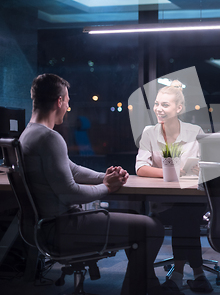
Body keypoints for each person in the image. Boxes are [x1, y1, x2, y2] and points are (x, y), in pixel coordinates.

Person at [20, 73, 175, 295]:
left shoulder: (30, 134)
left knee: (133, 215)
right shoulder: (49, 138)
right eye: (68, 101)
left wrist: (105, 176)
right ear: (59, 101)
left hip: (46, 226)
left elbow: (72, 169)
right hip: (62, 228)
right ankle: (138, 289)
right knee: (152, 228)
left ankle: (146, 285)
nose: (68, 107)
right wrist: (107, 188)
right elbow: (71, 194)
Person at [135, 86, 212, 293]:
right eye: (157, 104)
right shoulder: (149, 133)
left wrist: (170, 170)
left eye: (165, 104)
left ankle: (177, 275)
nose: (159, 109)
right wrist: (171, 172)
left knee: (184, 212)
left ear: (179, 108)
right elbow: (141, 168)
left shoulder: (194, 132)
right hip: (163, 203)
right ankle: (198, 273)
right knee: (184, 214)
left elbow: (199, 168)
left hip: (192, 200)